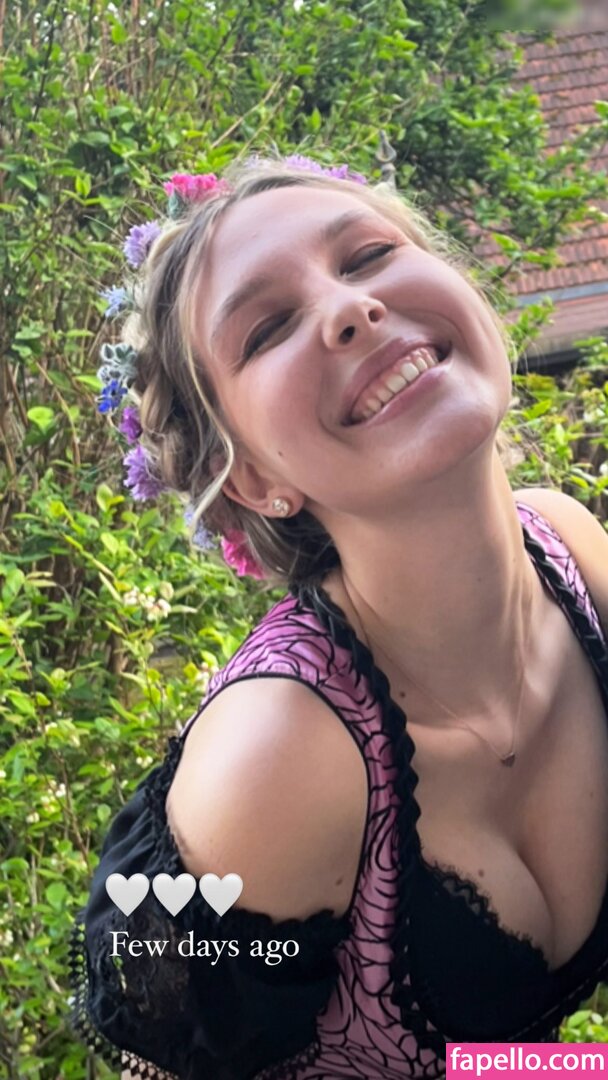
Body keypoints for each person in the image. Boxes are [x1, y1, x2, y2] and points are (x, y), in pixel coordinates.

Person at [69, 151, 608, 1080]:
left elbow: (496, 1059)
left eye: (367, 256)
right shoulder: (280, 758)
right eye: (268, 327)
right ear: (252, 479)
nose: (350, 307)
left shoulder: (572, 549)